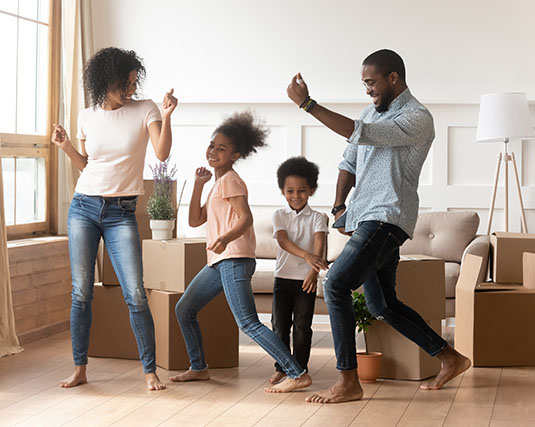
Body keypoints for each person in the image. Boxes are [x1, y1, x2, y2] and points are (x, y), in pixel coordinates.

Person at [286, 49, 471, 404]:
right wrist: (341, 207)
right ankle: (450, 357)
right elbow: (348, 161)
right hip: (365, 217)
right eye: (364, 83)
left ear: (393, 78)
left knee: (337, 284)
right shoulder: (370, 111)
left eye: (371, 83)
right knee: (382, 304)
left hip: (388, 217)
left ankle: (347, 381)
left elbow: (360, 133)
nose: (367, 90)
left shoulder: (418, 117)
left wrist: (307, 104)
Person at [51, 47, 177, 391]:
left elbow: (162, 154)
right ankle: (80, 368)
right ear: (106, 81)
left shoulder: (145, 109)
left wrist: (166, 116)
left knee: (135, 293)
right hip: (83, 208)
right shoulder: (86, 116)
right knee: (80, 293)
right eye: (125, 84)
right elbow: (87, 165)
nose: (131, 90)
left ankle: (150, 371)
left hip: (121, 212)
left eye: (135, 83)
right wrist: (65, 147)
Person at [171, 111, 312, 393]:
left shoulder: (231, 180)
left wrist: (225, 238)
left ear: (235, 155)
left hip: (233, 259)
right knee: (184, 309)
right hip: (220, 262)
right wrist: (199, 184)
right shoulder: (217, 183)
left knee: (248, 323)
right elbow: (195, 220)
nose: (213, 151)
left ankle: (297, 373)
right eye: (212, 145)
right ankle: (198, 367)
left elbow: (245, 218)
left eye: (221, 149)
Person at [269, 157, 328, 384]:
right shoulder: (279, 215)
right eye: (290, 190)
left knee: (303, 327)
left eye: (302, 190)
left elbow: (319, 245)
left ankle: (300, 370)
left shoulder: (317, 217)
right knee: (280, 326)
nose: (296, 196)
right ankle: (282, 368)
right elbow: (283, 241)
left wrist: (313, 273)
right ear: (282, 190)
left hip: (306, 280)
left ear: (311, 190)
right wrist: (307, 256)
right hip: (282, 278)